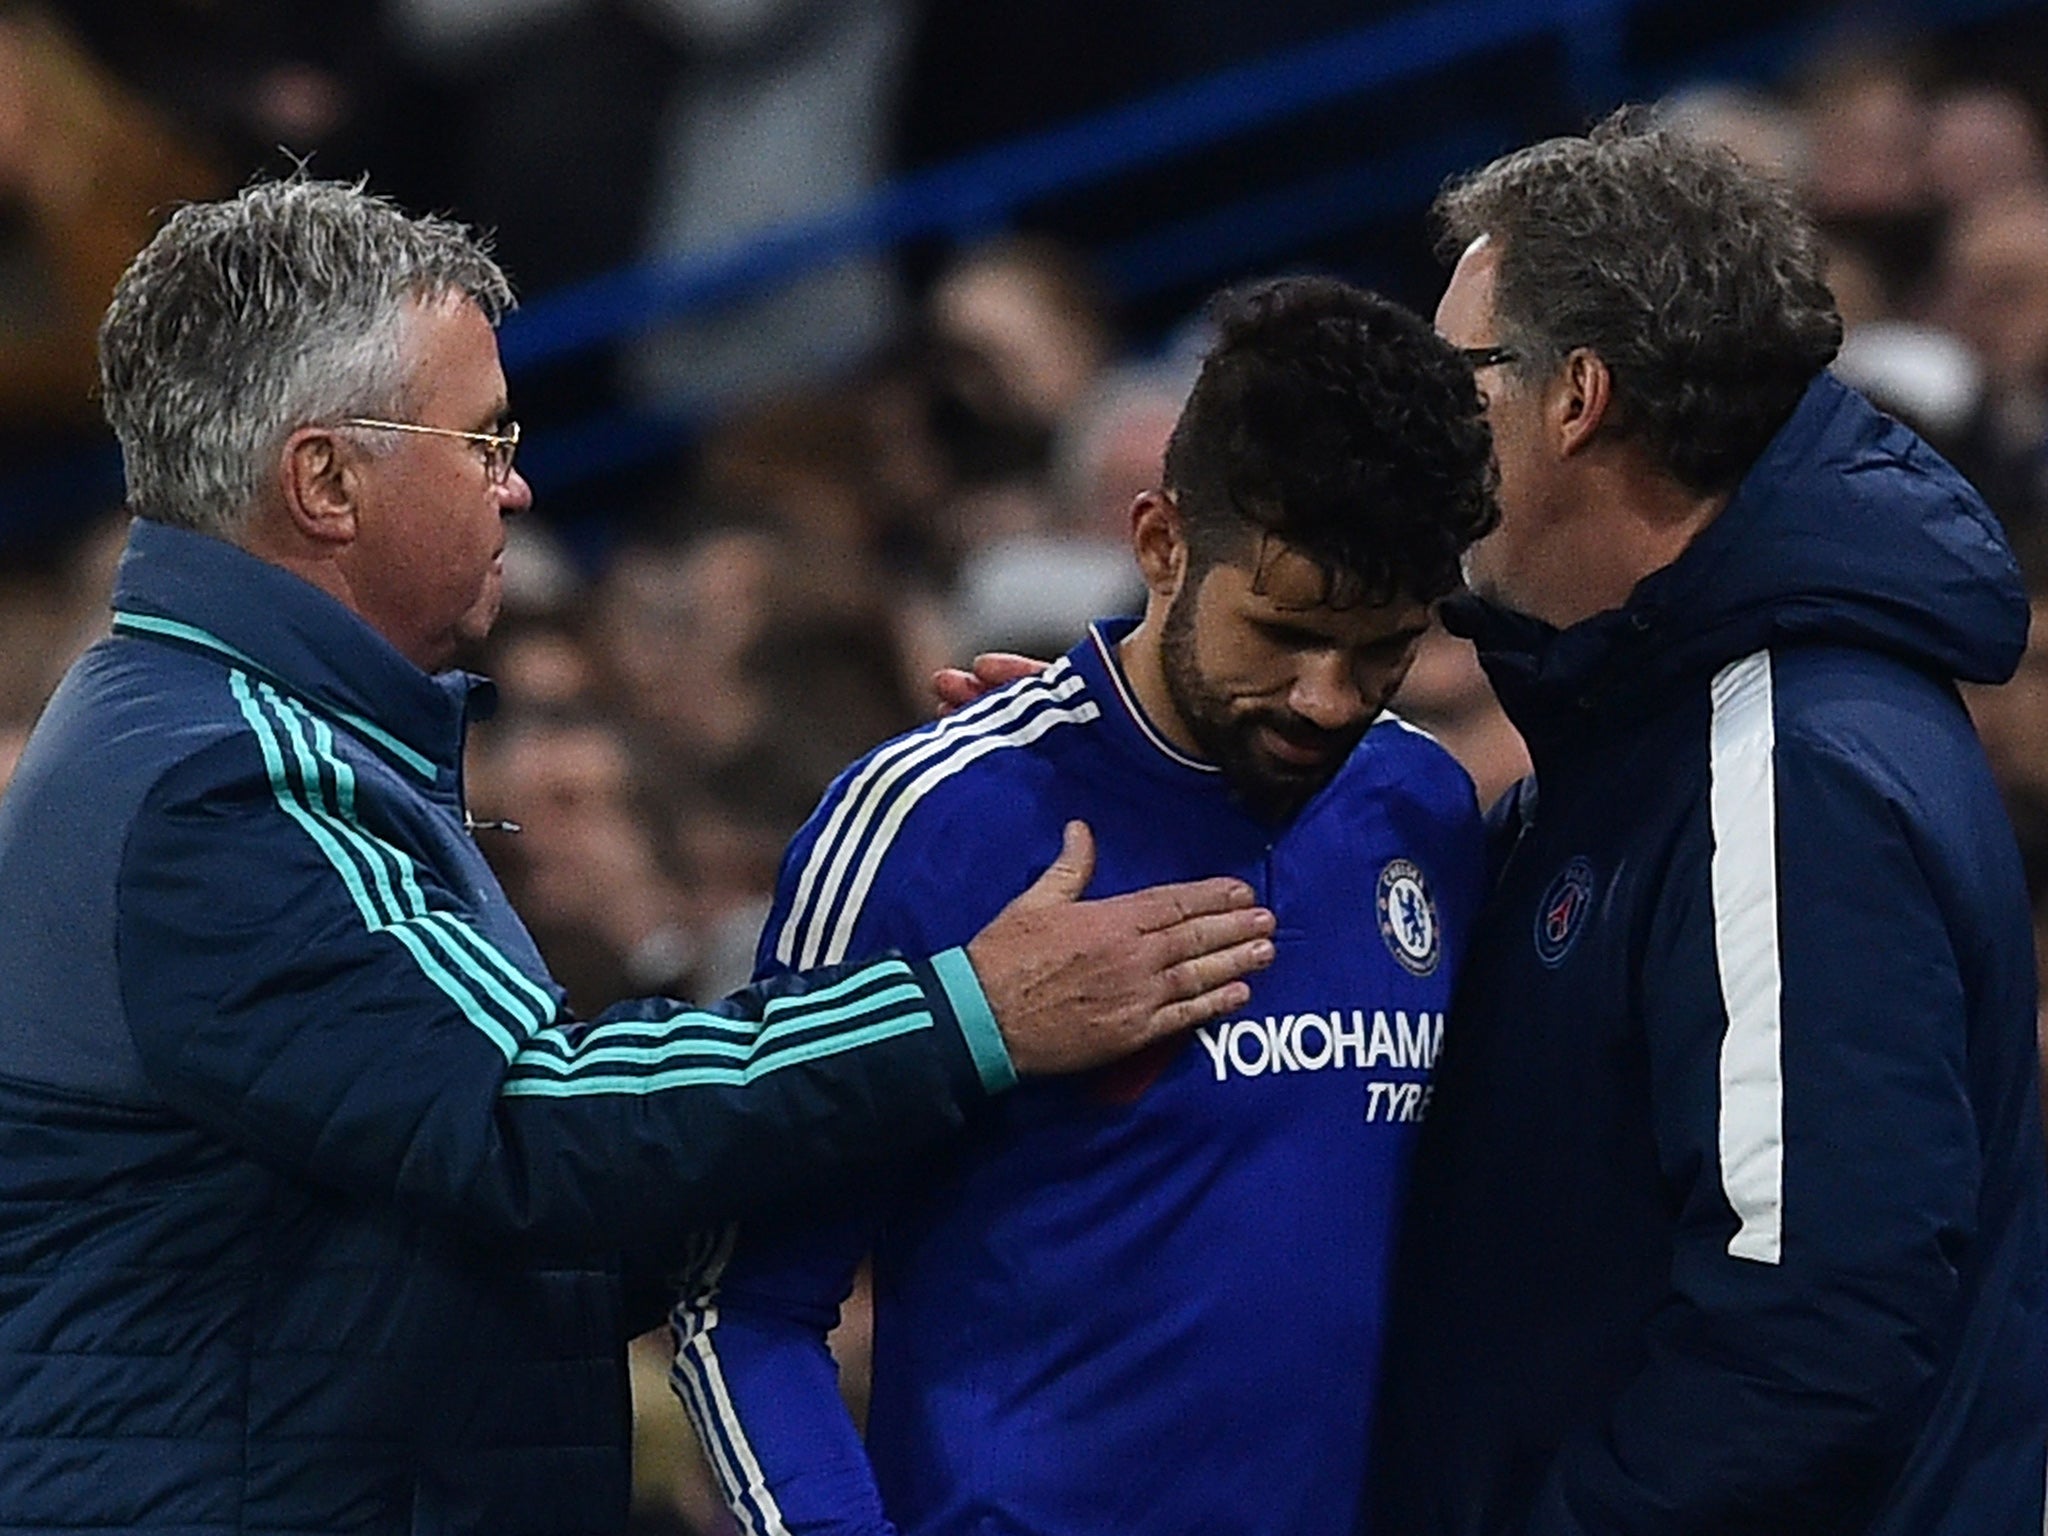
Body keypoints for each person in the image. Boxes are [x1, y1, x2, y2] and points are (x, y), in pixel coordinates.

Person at [0, 177, 1281, 1536]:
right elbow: (528, 1126)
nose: (520, 484)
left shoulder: (234, 727)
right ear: (326, 481)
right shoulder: (228, 773)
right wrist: (968, 1011)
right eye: (482, 441)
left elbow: (505, 1228)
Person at [666, 276, 1500, 1536]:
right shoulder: (932, 823)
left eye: (1380, 647)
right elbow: (743, 1308)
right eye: (1279, 632)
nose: (1329, 699)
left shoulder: (1422, 811)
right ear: (1160, 542)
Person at [1372, 111, 2048, 1534]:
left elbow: (1817, 1318)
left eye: (1457, 379)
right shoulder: (1647, 716)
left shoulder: (1789, 764)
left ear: (1576, 401)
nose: (1427, 428)